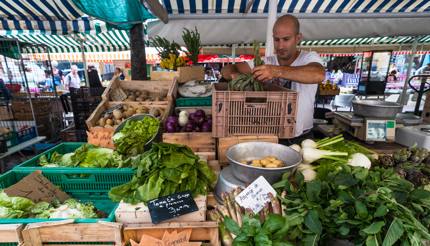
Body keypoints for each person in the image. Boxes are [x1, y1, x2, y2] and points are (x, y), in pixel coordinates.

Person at [222, 14, 325, 142]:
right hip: (269, 135)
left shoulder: (308, 58)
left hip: (301, 137)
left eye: (286, 39)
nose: (280, 46)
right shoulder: (265, 62)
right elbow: (227, 70)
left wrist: (276, 71)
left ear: (298, 38)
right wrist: (235, 76)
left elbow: (318, 74)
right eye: (276, 40)